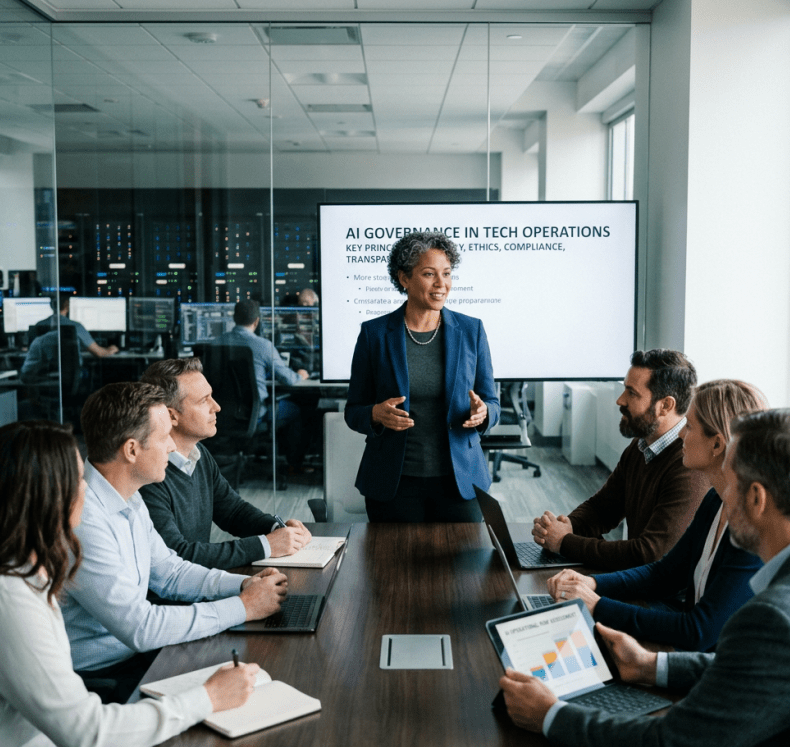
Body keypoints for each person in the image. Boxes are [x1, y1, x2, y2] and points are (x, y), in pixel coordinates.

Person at [501, 407, 790, 747]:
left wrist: (550, 714)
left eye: (732, 482)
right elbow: (761, 667)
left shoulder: (775, 619)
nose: (722, 493)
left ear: (756, 498)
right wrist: (650, 665)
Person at [0, 420, 260, 747]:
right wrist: (208, 698)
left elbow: (169, 569)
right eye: (77, 478)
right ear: (47, 496)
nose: (86, 488)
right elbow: (89, 734)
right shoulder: (8, 599)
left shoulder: (27, 573)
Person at [61, 382, 288, 704]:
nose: (171, 446)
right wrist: (244, 606)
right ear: (131, 449)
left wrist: (244, 584)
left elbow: (170, 572)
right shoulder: (84, 520)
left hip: (138, 656)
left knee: (261, 681)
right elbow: (140, 627)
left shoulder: (129, 497)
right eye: (163, 436)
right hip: (102, 680)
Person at [545, 379, 766, 651]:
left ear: (717, 444)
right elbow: (663, 574)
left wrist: (597, 606)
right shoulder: (715, 500)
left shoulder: (751, 527)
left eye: (690, 426)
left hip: (710, 673)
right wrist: (590, 582)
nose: (681, 434)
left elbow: (699, 630)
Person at [345, 230, 500, 522]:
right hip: (394, 482)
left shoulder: (471, 330)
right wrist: (376, 413)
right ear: (404, 278)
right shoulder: (374, 334)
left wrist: (484, 413)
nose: (442, 284)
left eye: (447, 273)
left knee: (463, 566)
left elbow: (492, 401)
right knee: (392, 567)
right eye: (429, 274)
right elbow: (354, 411)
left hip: (460, 481)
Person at [532, 349, 707, 570]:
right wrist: (564, 526)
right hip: (635, 580)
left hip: (659, 598)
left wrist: (565, 542)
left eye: (632, 393)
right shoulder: (641, 445)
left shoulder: (689, 465)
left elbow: (649, 554)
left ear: (665, 405)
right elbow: (602, 508)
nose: (620, 400)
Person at [139, 357, 312, 568]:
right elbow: (177, 555)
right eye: (204, 400)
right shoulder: (149, 474)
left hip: (202, 583)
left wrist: (277, 529)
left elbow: (233, 512)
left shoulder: (197, 454)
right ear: (171, 416)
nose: (217, 407)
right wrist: (265, 545)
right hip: (178, 594)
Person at [211, 298, 311, 471]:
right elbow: (288, 379)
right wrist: (300, 374)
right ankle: (294, 465)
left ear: (234, 319)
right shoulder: (263, 345)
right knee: (297, 410)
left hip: (223, 412)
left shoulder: (216, 343)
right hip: (255, 413)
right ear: (257, 321)